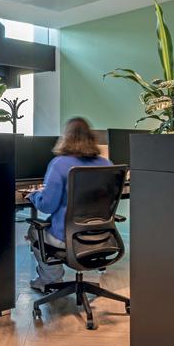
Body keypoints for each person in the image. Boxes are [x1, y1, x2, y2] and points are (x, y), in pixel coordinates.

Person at [27, 117, 112, 293]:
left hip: (68, 238)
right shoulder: (106, 164)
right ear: (91, 138)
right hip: (103, 236)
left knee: (34, 230)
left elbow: (47, 206)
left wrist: (34, 195)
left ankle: (50, 281)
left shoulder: (60, 164)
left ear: (65, 138)